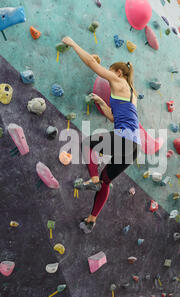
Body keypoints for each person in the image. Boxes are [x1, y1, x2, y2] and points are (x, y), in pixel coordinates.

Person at [61, 36, 141, 234]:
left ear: (119, 73)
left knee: (88, 144)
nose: (109, 76)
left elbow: (91, 64)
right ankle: (91, 220)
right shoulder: (133, 93)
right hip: (133, 148)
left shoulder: (118, 80)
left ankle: (94, 180)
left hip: (124, 139)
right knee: (107, 180)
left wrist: (73, 43)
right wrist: (103, 103)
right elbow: (116, 118)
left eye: (111, 72)